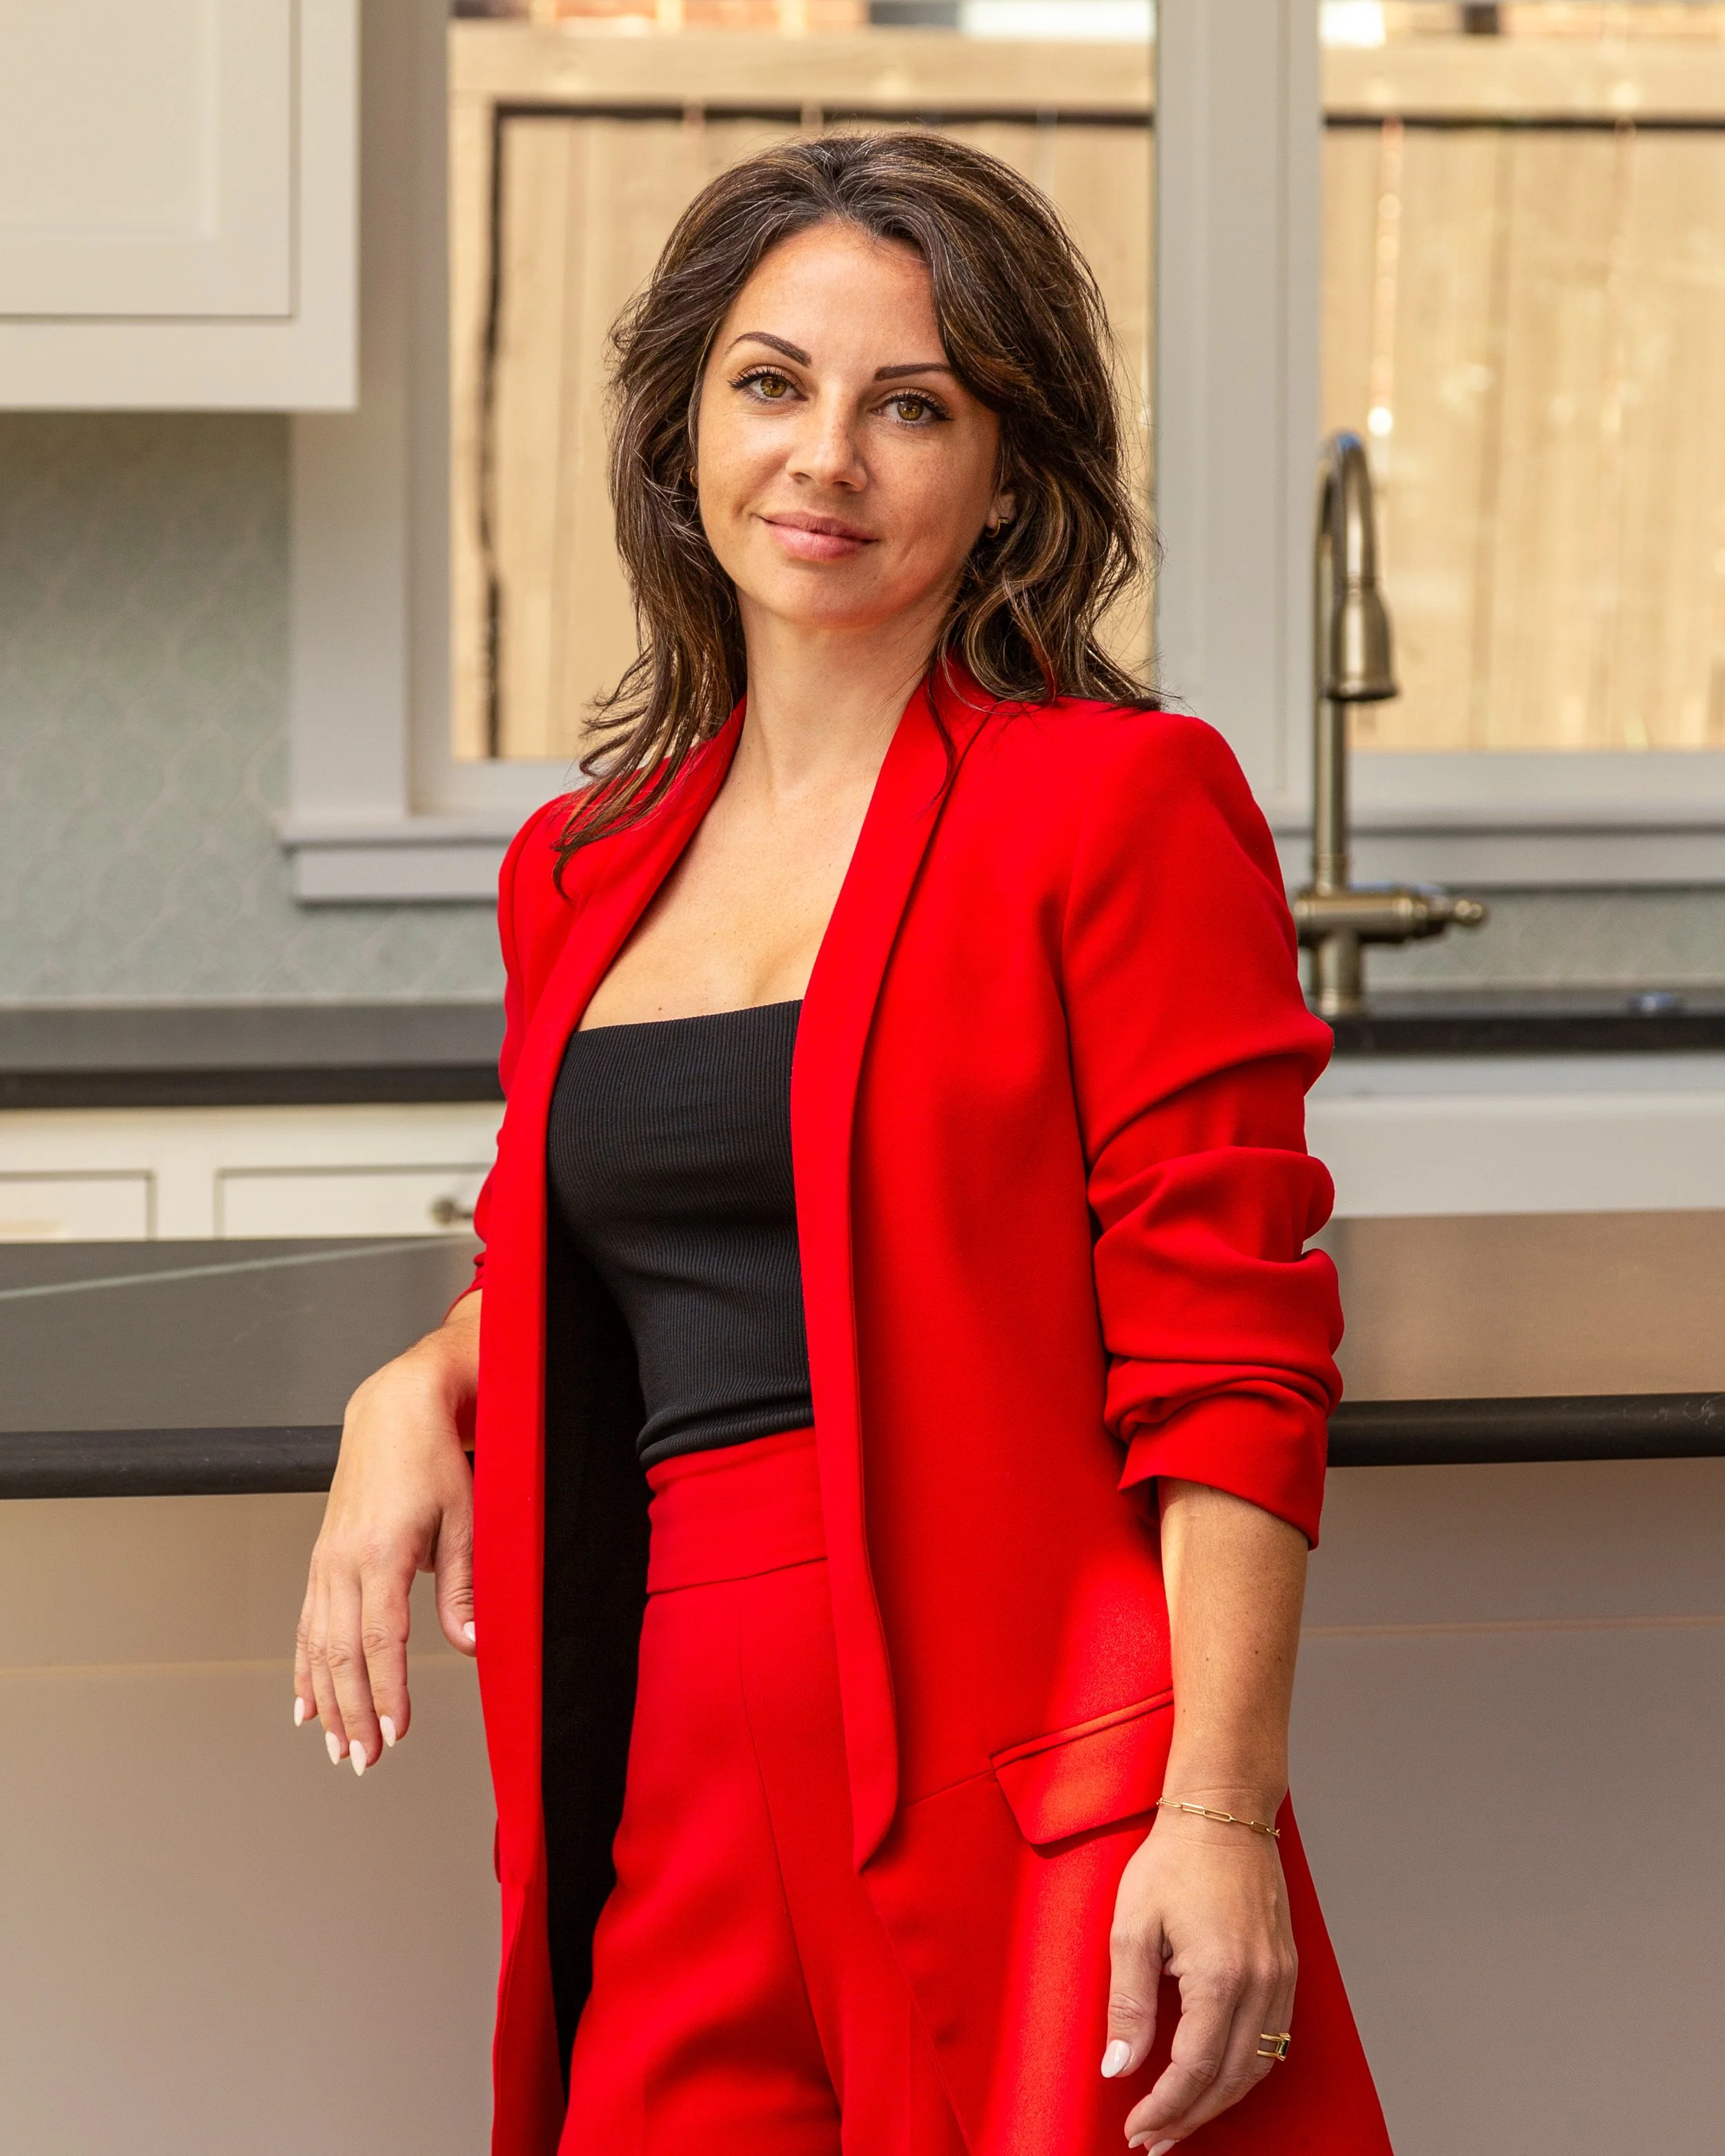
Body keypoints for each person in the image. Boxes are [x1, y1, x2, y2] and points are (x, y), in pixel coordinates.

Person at [293, 133, 1391, 2156]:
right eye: (771, 384)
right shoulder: (579, 865)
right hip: (671, 1769)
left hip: (1020, 1764)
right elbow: (619, 1247)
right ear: (683, 431)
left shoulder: (1114, 805)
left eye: (914, 406)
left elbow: (1229, 1350)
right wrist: (415, 1383)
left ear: (1009, 475)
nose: (827, 459)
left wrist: (1218, 1812)